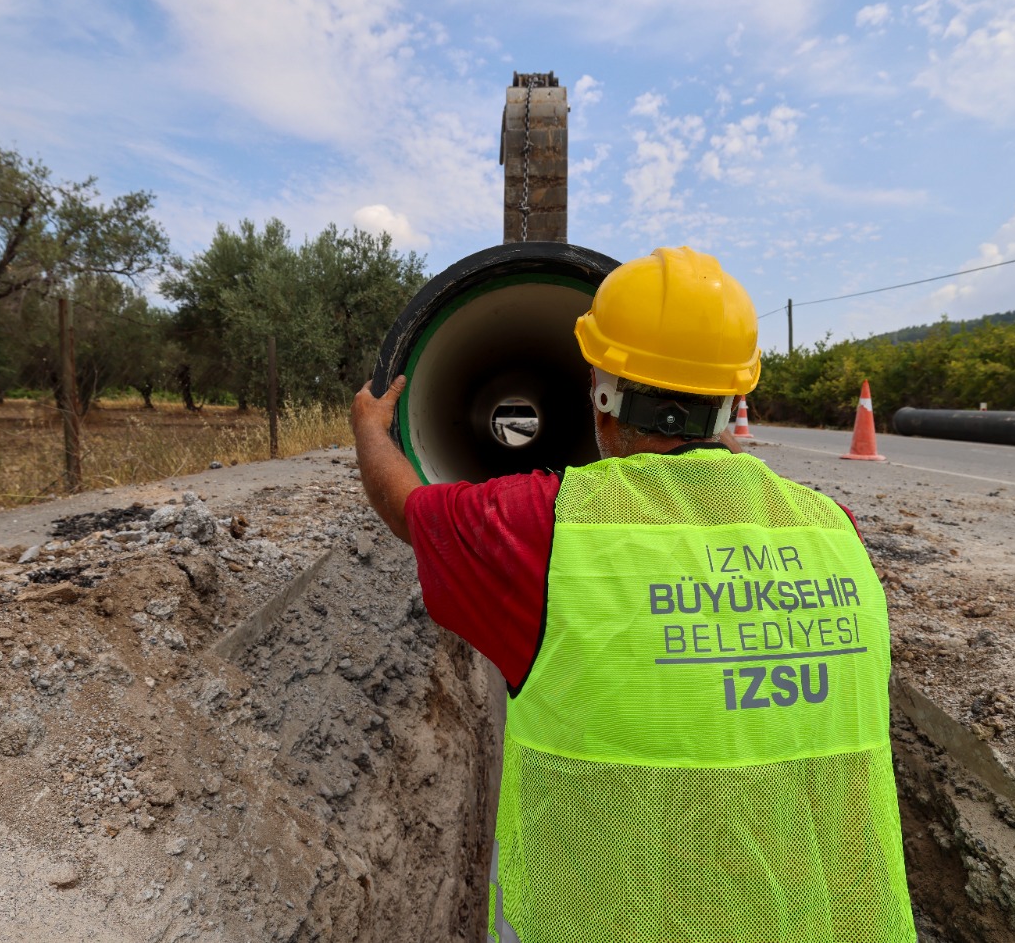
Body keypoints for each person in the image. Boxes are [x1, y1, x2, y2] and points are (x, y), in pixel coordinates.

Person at [351, 246, 914, 942]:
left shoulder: (543, 530)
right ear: (736, 399)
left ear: (603, 395)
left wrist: (371, 433)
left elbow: (410, 507)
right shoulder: (835, 532)